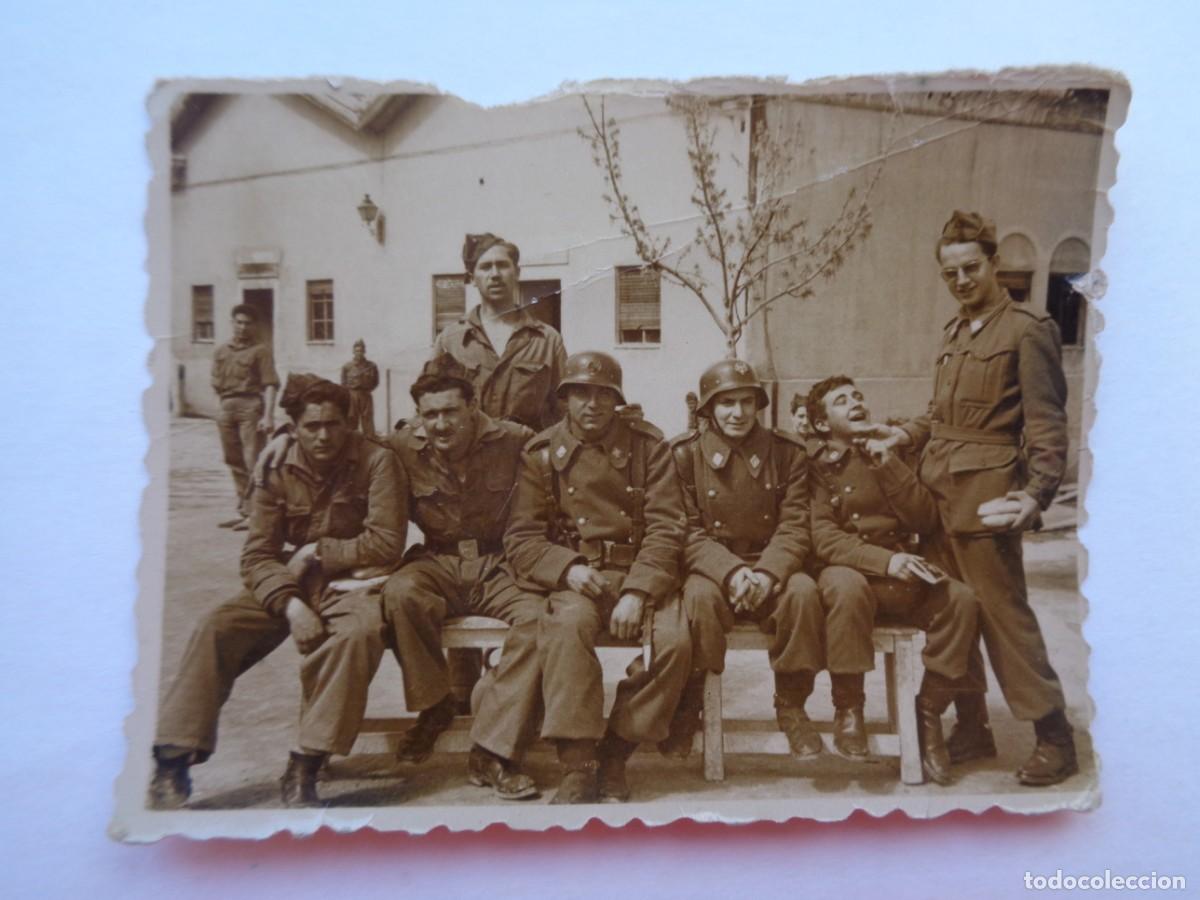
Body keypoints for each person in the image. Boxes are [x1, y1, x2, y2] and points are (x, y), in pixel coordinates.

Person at [866, 210, 1077, 786]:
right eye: (950, 272)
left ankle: (1054, 737)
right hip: (938, 495)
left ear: (993, 264)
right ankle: (974, 726)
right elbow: (940, 416)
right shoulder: (955, 334)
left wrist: (1036, 495)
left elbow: (1048, 424)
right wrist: (903, 435)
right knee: (952, 614)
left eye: (970, 268)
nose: (960, 280)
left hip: (989, 503)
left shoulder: (1027, 328)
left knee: (1006, 621)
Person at [148, 376, 408, 809]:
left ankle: (305, 762)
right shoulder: (274, 468)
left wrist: (315, 551)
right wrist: (290, 605)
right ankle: (172, 759)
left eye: (332, 424)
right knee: (219, 626)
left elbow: (385, 542)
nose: (323, 435)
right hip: (287, 578)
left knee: (359, 634)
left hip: (352, 582)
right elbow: (256, 556)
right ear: (294, 426)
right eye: (310, 426)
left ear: (349, 422)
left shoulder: (377, 461)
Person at [504, 352, 693, 803]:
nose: (592, 404)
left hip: (639, 572)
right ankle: (578, 762)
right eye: (581, 394)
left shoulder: (649, 447)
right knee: (566, 629)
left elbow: (668, 526)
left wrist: (638, 590)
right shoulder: (542, 454)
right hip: (577, 576)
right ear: (565, 398)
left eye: (603, 394)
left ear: (617, 399)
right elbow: (522, 536)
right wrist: (567, 569)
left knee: (676, 642)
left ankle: (617, 750)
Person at [381, 355, 545, 800]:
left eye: (450, 411)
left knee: (537, 618)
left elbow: (565, 447)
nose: (440, 424)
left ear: (473, 406)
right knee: (400, 594)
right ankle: (434, 705)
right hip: (438, 560)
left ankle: (492, 749)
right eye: (430, 414)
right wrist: (281, 443)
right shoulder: (401, 446)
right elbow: (354, 458)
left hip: (500, 563)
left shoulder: (514, 439)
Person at [806, 375, 980, 784]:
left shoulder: (892, 454)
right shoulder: (816, 467)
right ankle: (849, 709)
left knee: (963, 601)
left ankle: (929, 713)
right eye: (841, 401)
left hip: (902, 577)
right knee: (845, 589)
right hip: (852, 571)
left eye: (858, 396)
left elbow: (923, 518)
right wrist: (887, 562)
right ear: (820, 423)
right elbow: (824, 538)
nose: (855, 403)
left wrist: (890, 466)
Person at [663, 360, 825, 762]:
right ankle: (690, 705)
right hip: (712, 566)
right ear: (708, 409)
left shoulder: (787, 453)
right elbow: (686, 531)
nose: (738, 413)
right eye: (726, 403)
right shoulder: (685, 455)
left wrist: (768, 573)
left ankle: (792, 706)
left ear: (759, 405)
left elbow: (795, 525)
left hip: (771, 562)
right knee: (697, 601)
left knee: (803, 594)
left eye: (747, 402)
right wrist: (731, 572)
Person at [433, 233, 567, 431]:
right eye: (485, 267)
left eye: (503, 265)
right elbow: (431, 403)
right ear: (472, 279)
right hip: (468, 456)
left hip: (527, 456)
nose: (495, 274)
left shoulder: (547, 340)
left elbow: (563, 409)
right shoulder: (451, 340)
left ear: (517, 273)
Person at [212, 304, 280, 529]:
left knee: (254, 460)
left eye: (247, 323)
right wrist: (221, 408)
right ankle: (245, 509)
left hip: (250, 407)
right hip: (226, 407)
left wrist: (268, 416)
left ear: (254, 326)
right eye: (238, 322)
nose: (242, 327)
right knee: (233, 460)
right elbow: (216, 383)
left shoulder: (261, 351)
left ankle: (258, 513)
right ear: (232, 323)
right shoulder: (221, 351)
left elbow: (270, 384)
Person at [341, 339, 380, 436]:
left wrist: (368, 389)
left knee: (367, 419)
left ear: (364, 351)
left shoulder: (371, 366)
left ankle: (370, 442)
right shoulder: (347, 366)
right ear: (353, 352)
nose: (359, 353)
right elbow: (343, 382)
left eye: (361, 351)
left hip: (365, 394)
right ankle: (351, 441)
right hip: (352, 394)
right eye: (357, 351)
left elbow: (376, 381)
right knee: (352, 418)